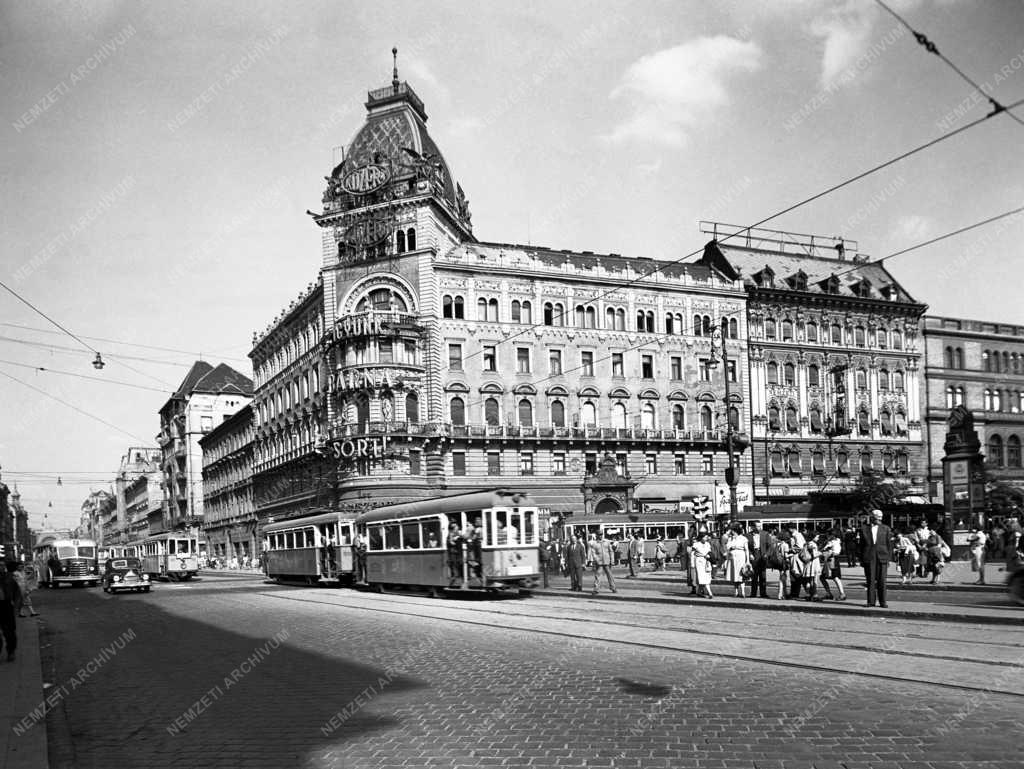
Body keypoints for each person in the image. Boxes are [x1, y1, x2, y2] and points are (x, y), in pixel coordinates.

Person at [861, 509, 893, 607]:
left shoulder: (886, 529)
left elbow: (889, 544)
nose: (880, 519)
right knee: (870, 580)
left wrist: (889, 558)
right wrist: (861, 558)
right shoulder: (864, 528)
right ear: (872, 517)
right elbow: (861, 545)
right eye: (877, 517)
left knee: (882, 580)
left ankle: (883, 602)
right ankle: (871, 601)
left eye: (881, 517)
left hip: (882, 555)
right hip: (869, 556)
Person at [0, 561, 21, 661]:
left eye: (3, 565)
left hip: (6, 606)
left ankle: (11, 651)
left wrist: (16, 607)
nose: (1, 567)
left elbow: (17, 592)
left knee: (9, 631)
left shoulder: (9, 578)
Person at [746, 520, 772, 599]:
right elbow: (746, 547)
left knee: (762, 575)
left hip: (762, 555)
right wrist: (750, 554)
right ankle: (753, 593)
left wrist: (766, 554)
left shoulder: (765, 534)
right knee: (754, 575)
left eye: (760, 526)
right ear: (753, 527)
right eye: (757, 526)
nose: (759, 528)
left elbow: (770, 546)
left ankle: (763, 593)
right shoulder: (748, 535)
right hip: (754, 555)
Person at [819, 529, 847, 600]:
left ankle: (842, 594)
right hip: (828, 560)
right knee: (823, 577)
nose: (827, 536)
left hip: (832, 560)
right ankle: (829, 593)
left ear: (832, 535)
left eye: (828, 534)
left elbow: (836, 552)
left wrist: (828, 552)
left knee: (835, 577)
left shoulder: (835, 542)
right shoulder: (831, 542)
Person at [724, 525, 750, 598]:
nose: (732, 532)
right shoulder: (730, 539)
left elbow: (746, 550)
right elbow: (727, 547)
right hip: (732, 556)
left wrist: (747, 560)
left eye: (733, 531)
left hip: (741, 556)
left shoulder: (743, 538)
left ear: (736, 531)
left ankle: (743, 591)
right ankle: (735, 591)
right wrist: (731, 539)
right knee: (734, 574)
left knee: (741, 574)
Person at [690, 532, 714, 598]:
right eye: (705, 537)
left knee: (706, 576)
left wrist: (709, 556)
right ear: (701, 538)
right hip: (699, 561)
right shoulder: (696, 544)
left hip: (706, 561)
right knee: (702, 577)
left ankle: (699, 592)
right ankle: (710, 593)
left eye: (707, 537)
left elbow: (709, 552)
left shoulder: (708, 544)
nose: (706, 538)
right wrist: (692, 563)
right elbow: (692, 554)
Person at [445, 523, 464, 587]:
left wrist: (459, 537)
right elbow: (451, 543)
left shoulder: (457, 533)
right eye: (456, 527)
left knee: (458, 563)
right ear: (453, 528)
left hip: (457, 552)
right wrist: (455, 539)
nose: (458, 527)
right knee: (454, 564)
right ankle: (456, 577)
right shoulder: (451, 534)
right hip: (453, 552)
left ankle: (458, 576)